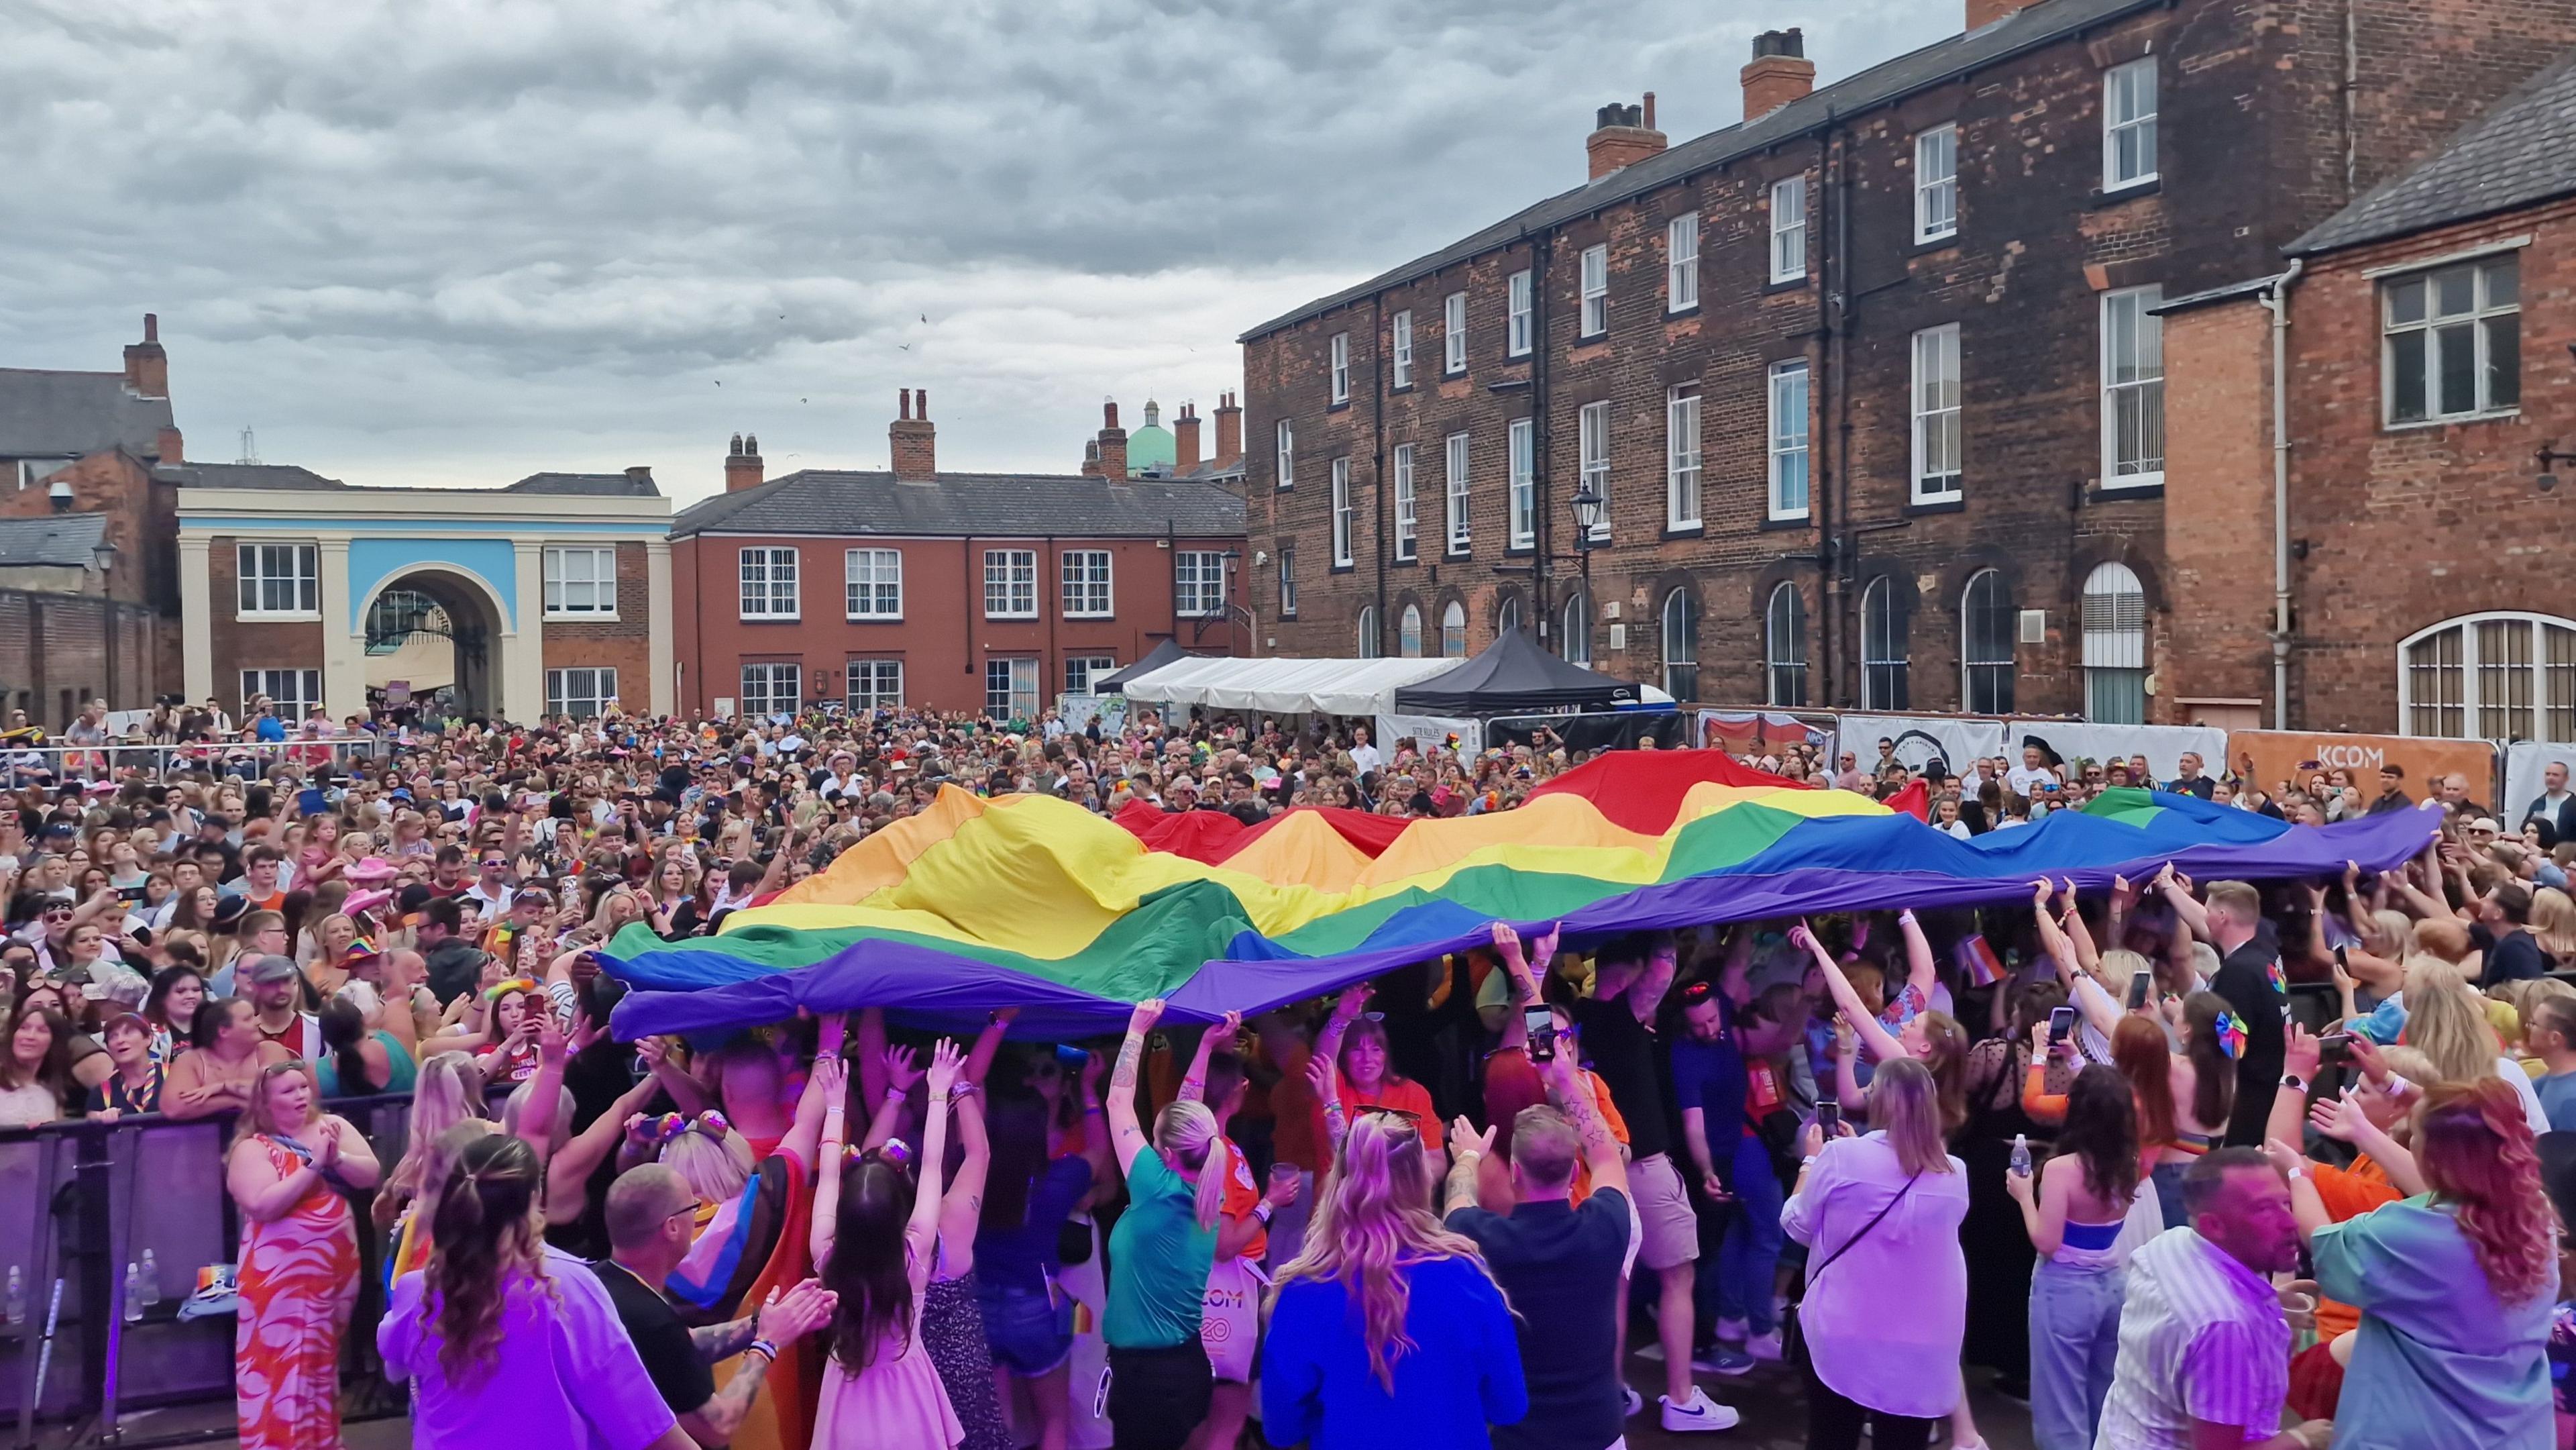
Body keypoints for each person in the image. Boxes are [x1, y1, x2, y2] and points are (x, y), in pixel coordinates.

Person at [2282, 1078, 2555, 1449]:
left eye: (2414, 1133)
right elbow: (2453, 1157)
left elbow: (2323, 1242)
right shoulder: (2533, 1210)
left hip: (2427, 1430)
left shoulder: (2411, 1234)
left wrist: (2297, 1173)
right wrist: (2388, 1097)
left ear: (2433, 1157)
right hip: (2517, 1428)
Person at [379, 1130, 694, 1449]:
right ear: (535, 1197)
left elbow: (394, 1370)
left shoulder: (420, 1288)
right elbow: (640, 1417)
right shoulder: (570, 1287)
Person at [1263, 1108, 1525, 1449]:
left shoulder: (1304, 1290)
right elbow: (1509, 1406)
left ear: (1339, 1181)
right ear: (1421, 1181)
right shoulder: (1466, 1276)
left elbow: (1281, 1429)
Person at [1569, 934, 1729, 1431]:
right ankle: (1681, 1398)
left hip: (1593, 1171)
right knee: (1677, 1274)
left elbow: (1530, 1024)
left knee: (1614, 1285)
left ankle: (1612, 1391)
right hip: (1643, 1165)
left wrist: (1527, 965)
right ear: (1625, 973)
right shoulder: (1622, 1013)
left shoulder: (1564, 1018)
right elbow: (1663, 966)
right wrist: (1662, 916)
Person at [1444, 1038, 1631, 1450]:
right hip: (1599, 1430)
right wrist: (1566, 1080)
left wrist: (1469, 1158)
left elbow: (1457, 1201)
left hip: (1519, 1436)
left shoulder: (1482, 1237)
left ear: (1514, 1171)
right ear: (1571, 1176)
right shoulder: (1607, 1227)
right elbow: (1605, 1157)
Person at [1780, 1055, 1972, 1450]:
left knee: (1830, 1439)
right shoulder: (1955, 1175)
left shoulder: (1841, 1158)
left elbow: (1798, 1225)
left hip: (1844, 1333)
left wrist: (1811, 1163)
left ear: (1878, 1102)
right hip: (1922, 1344)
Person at [2094, 1148, 2331, 1450]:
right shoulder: (2224, 1327)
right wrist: (2302, 1439)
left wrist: (2264, 1307)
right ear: (2213, 1226)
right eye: (2263, 1209)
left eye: (2286, 1202)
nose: (2291, 1222)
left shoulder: (2171, 1243)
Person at [600, 1162, 839, 1449]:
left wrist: (761, 1323)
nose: (699, 1214)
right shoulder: (653, 1321)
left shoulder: (601, 1282)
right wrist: (767, 1343)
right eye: (694, 1207)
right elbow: (718, 1426)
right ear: (672, 1228)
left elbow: (681, 1344)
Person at [810, 1042, 965, 1449]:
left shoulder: (826, 1256)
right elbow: (931, 1164)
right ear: (900, 1209)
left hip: (847, 1390)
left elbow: (828, 1177)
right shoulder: (914, 1257)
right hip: (907, 1390)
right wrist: (938, 1090)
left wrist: (835, 1105)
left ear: (842, 1214)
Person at [226, 1059, 379, 1450]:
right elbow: (264, 1205)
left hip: (333, 1272)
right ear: (265, 1103)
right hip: (277, 1280)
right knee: (280, 1366)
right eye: (287, 1091)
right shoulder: (251, 1148)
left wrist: (337, 1157)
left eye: (302, 1087)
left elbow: (370, 1175)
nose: (299, 1096)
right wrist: (315, 1164)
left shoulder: (334, 1127)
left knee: (318, 1366)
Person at [2006, 1064, 2152, 1450]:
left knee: (2060, 1404)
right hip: (2113, 1287)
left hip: (2064, 1291)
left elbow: (2046, 1241)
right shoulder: (2129, 1165)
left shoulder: (2060, 1171)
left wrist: (2024, 1196)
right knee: (2103, 1395)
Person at [1102, 999, 1223, 1450]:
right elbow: (1187, 1117)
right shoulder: (1213, 1185)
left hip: (1146, 1378)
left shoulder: (1155, 1185)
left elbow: (1118, 1100)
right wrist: (1205, 1048)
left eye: (1155, 1141)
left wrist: (1136, 1030)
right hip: (1186, 1365)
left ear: (1168, 1156)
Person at [162, 996, 292, 1121]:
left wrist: (224, 1087)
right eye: (248, 1019)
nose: (258, 1021)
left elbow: (278, 1090)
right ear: (224, 1031)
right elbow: (173, 1108)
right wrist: (233, 1101)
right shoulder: (191, 1060)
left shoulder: (269, 1050)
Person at [86, 1011, 166, 1117]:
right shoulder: (102, 1092)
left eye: (128, 1033)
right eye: (113, 1036)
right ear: (108, 1048)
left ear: (148, 1039)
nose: (120, 1040)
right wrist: (101, 1118)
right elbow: (92, 1120)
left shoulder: (175, 1075)